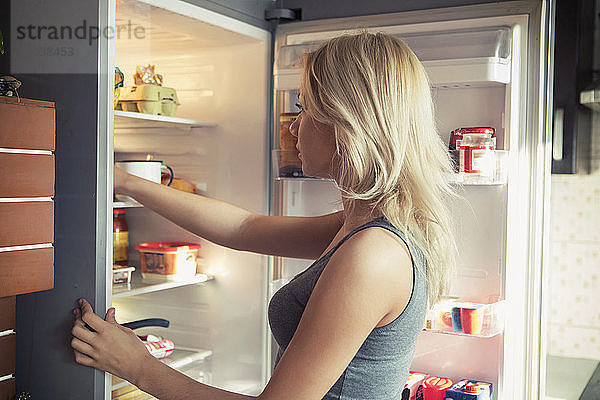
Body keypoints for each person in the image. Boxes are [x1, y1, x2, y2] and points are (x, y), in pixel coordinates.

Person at [71, 31, 456, 400]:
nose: (292, 125)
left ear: (346, 121)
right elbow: (244, 228)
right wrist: (126, 181)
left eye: (304, 107)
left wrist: (137, 366)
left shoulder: (373, 255)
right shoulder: (365, 226)